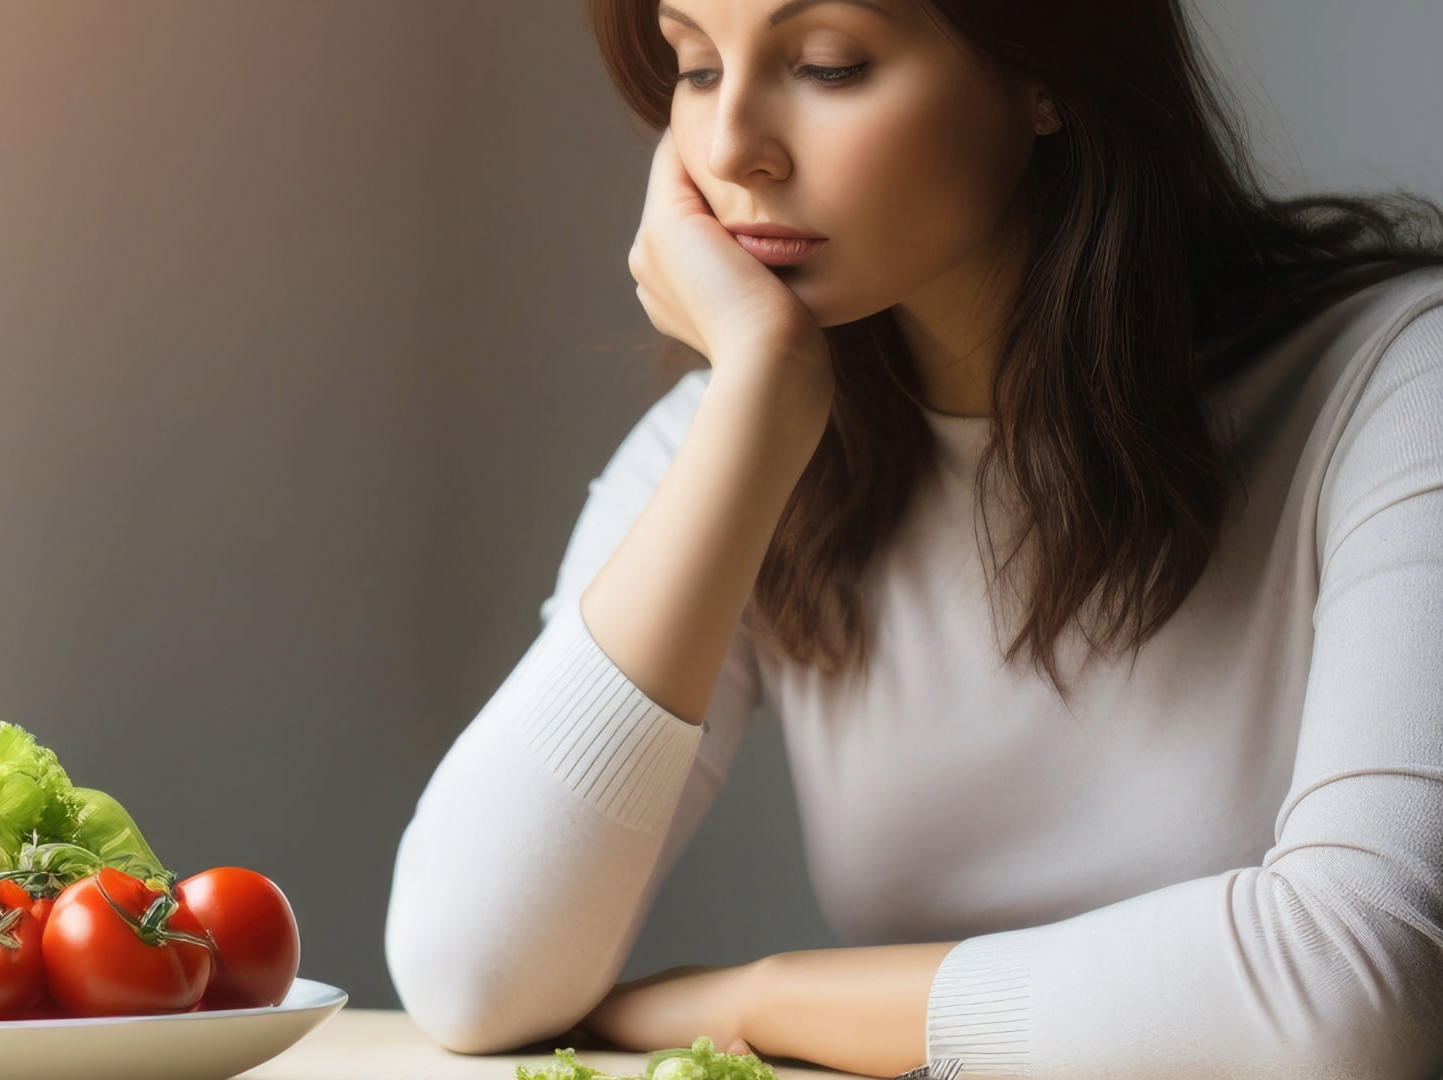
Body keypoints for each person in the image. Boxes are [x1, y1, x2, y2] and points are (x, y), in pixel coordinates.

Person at [385, 0, 1443, 1077]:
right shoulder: (740, 438)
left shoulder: (1399, 386)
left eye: (828, 65)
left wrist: (763, 999)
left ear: (1047, 71)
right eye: (696, 66)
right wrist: (755, 400)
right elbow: (471, 971)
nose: (728, 147)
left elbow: (1357, 999)